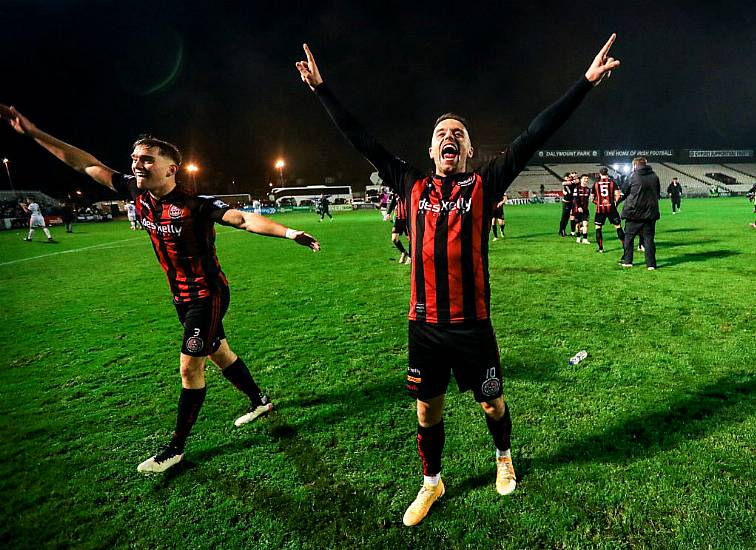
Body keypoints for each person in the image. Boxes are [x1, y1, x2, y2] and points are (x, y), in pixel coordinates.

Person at [296, 34, 619, 526]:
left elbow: (535, 133)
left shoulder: (485, 184)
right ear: (431, 148)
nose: (450, 137)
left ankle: (503, 458)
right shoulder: (409, 183)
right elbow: (360, 137)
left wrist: (586, 82)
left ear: (468, 149)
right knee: (427, 411)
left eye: (459, 134)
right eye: (442, 133)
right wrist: (322, 90)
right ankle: (432, 482)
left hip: (472, 324)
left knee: (492, 404)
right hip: (424, 324)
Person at [1, 104, 320, 474]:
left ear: (172, 168)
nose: (137, 164)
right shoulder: (135, 193)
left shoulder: (194, 205)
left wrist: (289, 232)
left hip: (208, 295)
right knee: (219, 351)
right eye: (135, 158)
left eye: (147, 159)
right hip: (181, 299)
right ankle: (259, 400)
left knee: (190, 367)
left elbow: (243, 218)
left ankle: (175, 449)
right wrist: (35, 133)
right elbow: (83, 163)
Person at [619, 157, 660, 269]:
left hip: (634, 213)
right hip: (650, 213)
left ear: (635, 165)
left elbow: (624, 191)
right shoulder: (655, 176)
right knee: (649, 239)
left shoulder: (632, 176)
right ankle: (651, 264)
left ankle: (628, 261)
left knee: (629, 238)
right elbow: (657, 193)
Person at [590, 167, 624, 253]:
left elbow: (592, 198)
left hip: (600, 209)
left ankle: (601, 249)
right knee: (618, 227)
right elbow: (618, 196)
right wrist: (615, 204)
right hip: (611, 208)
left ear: (600, 174)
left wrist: (598, 203)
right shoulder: (613, 183)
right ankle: (625, 247)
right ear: (607, 173)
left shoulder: (596, 184)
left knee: (598, 228)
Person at [387, 191, 411, 264]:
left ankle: (410, 257)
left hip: (408, 219)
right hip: (399, 218)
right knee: (394, 238)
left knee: (410, 239)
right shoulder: (396, 191)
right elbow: (393, 202)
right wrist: (388, 213)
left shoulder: (408, 190)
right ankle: (403, 252)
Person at [572, 175, 592, 244]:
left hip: (585, 210)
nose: (586, 180)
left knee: (585, 224)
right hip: (577, 210)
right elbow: (575, 199)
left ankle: (585, 239)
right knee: (577, 225)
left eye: (587, 178)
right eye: (584, 178)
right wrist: (579, 207)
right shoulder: (576, 188)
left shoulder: (588, 189)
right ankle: (578, 237)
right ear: (581, 180)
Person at [558, 172, 575, 237]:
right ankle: (562, 230)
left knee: (567, 217)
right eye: (567, 178)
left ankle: (562, 230)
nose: (568, 179)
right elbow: (564, 183)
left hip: (571, 202)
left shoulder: (572, 182)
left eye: (569, 177)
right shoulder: (566, 183)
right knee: (564, 217)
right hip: (566, 202)